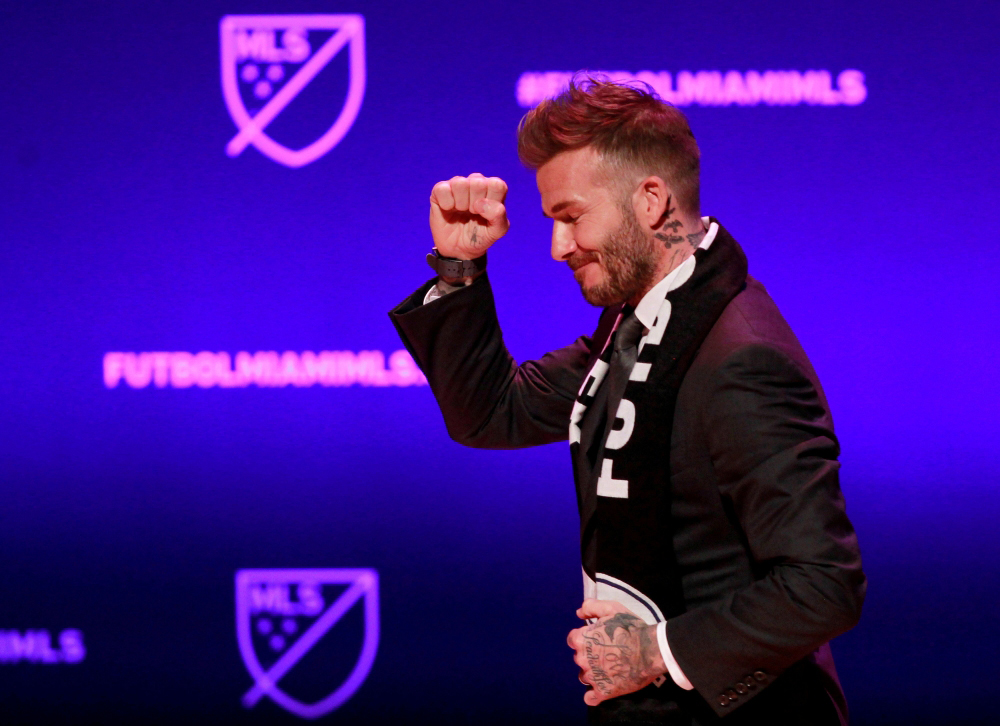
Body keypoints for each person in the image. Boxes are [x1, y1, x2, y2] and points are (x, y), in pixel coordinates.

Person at [390, 78, 865, 725]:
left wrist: (658, 653)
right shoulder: (640, 322)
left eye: (570, 216)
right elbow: (493, 411)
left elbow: (823, 584)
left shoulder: (740, 357)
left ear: (649, 200)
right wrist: (459, 265)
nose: (557, 248)